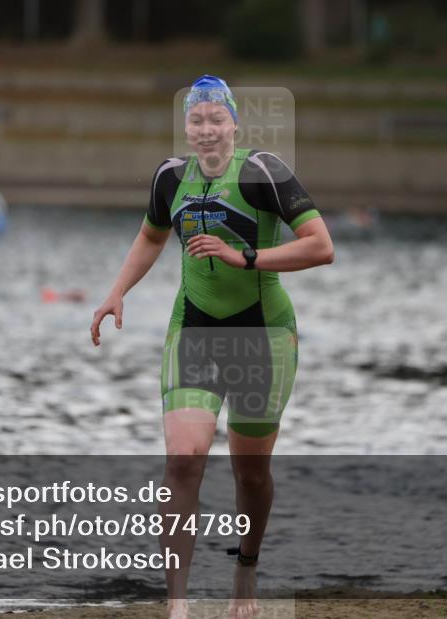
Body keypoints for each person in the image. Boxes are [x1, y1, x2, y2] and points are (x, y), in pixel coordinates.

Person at [91, 75, 334, 619]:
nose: (206, 130)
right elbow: (152, 235)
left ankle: (245, 567)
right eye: (197, 120)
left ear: (234, 125)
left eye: (216, 120)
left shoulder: (264, 172)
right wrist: (117, 291)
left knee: (251, 473)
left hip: (262, 335)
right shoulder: (169, 177)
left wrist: (243, 257)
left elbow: (321, 246)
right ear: (186, 127)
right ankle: (177, 604)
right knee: (184, 460)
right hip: (194, 330)